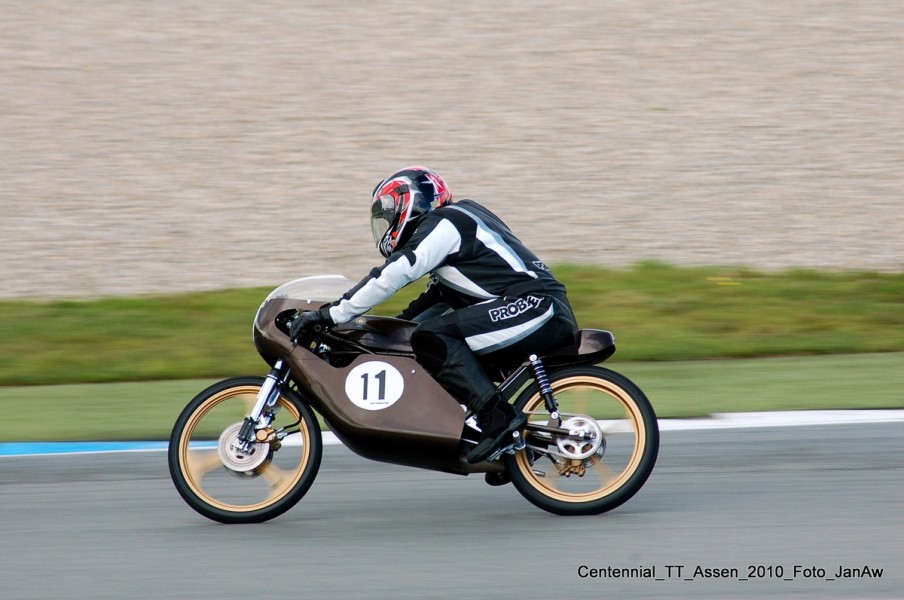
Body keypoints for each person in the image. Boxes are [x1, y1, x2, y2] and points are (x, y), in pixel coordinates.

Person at [290, 166, 578, 463]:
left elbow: (392, 275)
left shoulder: (446, 223)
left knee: (433, 337)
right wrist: (371, 337)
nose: (386, 224)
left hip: (535, 307)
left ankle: (498, 419)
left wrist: (329, 315)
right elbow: (428, 305)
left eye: (388, 214)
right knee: (426, 338)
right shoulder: (459, 224)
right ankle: (509, 447)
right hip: (535, 306)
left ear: (411, 201)